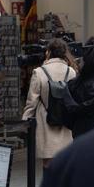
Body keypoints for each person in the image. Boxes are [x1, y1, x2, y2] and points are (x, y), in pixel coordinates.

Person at [22, 39, 76, 169]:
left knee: (48, 162)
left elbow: (32, 101)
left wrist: (25, 121)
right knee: (65, 161)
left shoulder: (39, 72)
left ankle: (49, 181)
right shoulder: (71, 72)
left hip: (45, 121)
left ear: (48, 52)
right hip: (65, 122)